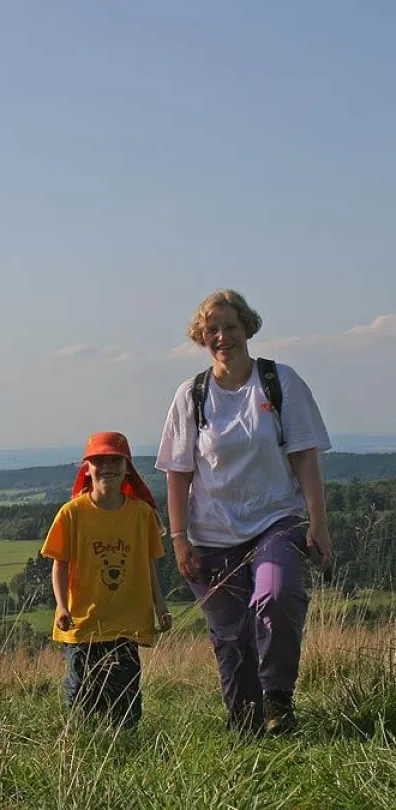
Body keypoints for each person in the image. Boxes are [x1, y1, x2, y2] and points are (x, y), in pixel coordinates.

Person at [156, 289, 333, 735]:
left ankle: (278, 698)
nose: (222, 337)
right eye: (212, 330)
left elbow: (305, 456)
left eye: (230, 327)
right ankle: (247, 725)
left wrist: (318, 522)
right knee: (232, 639)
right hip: (211, 534)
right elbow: (177, 474)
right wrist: (179, 539)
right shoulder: (191, 395)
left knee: (277, 595)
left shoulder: (279, 381)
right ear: (201, 337)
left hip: (276, 521)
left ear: (247, 328)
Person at [41, 432, 171, 729]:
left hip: (127, 625)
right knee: (82, 705)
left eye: (115, 460)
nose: (107, 467)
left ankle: (123, 751)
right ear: (86, 468)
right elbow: (59, 565)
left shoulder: (141, 514)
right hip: (82, 625)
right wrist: (61, 606)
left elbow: (148, 565)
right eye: (99, 461)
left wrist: (161, 605)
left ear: (127, 468)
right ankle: (84, 751)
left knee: (125, 708)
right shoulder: (71, 513)